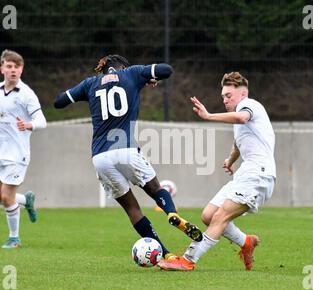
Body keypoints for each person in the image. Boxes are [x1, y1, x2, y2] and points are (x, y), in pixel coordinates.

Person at [54, 54, 203, 259]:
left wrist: (83, 93)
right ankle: (172, 213)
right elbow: (166, 69)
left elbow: (59, 102)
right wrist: (149, 77)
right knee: (155, 189)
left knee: (132, 208)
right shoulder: (131, 73)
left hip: (100, 157)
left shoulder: (90, 84)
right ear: (122, 66)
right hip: (126, 150)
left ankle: (166, 255)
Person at [158, 72, 276, 271]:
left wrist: (208, 116)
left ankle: (188, 260)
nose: (224, 100)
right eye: (223, 96)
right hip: (246, 173)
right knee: (208, 215)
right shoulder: (240, 118)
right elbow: (238, 143)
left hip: (259, 175)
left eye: (228, 95)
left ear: (242, 94)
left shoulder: (250, 106)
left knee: (220, 216)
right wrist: (230, 160)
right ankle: (246, 242)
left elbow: (241, 118)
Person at [0, 49, 47, 249]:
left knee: (7, 197)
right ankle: (26, 200)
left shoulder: (27, 94)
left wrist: (28, 125)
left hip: (18, 154)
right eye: (9, 66)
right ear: (2, 69)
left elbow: (42, 121)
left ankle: (14, 238)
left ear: (21, 69)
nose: (13, 70)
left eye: (17, 67)